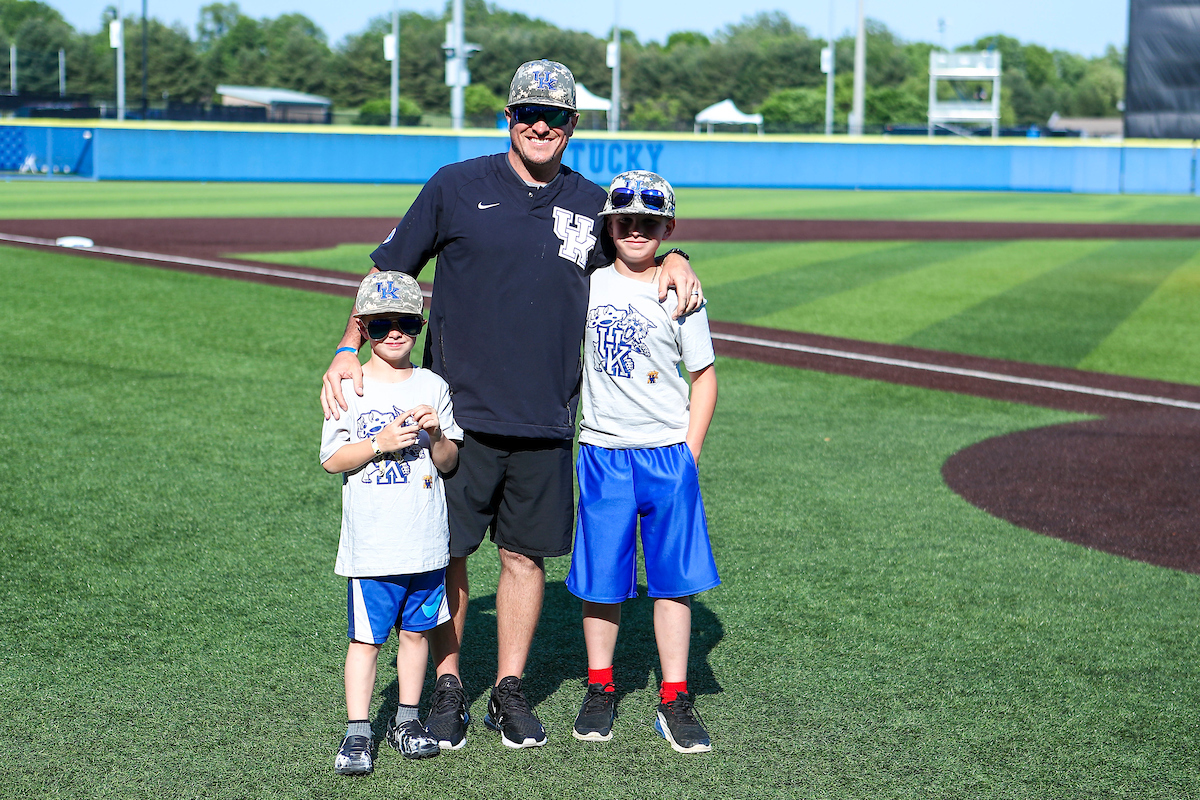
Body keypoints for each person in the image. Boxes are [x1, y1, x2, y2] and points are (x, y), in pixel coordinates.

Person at [320, 60, 705, 751]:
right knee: (451, 557)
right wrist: (349, 349)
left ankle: (509, 688)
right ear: (507, 117)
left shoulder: (592, 203)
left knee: (526, 559)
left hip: (548, 419)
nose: (539, 125)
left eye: (554, 116)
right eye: (527, 112)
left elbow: (639, 251)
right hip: (452, 419)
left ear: (572, 126)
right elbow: (390, 272)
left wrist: (676, 257)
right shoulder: (455, 185)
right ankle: (446, 686)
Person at [565, 171, 720, 754]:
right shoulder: (588, 284)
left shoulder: (683, 292)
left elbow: (703, 380)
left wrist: (690, 452)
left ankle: (675, 697)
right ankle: (600, 686)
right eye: (624, 220)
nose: (636, 230)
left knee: (673, 583)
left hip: (666, 454)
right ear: (609, 225)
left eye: (650, 224)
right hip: (603, 450)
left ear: (667, 228)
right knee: (602, 581)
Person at [321, 271, 463, 775]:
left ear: (419, 324)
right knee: (365, 640)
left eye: (404, 321)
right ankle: (358, 733)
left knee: (416, 636)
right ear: (363, 327)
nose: (394, 332)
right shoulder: (350, 384)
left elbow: (448, 462)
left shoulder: (433, 386)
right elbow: (332, 459)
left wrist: (438, 432)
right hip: (373, 545)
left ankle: (407, 720)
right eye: (380, 325)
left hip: (424, 542)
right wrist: (379, 443)